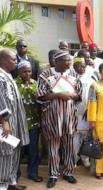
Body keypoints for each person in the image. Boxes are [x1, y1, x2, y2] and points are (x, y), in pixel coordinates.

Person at [37, 51, 82, 188]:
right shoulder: (45, 75)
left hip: (69, 118)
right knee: (53, 148)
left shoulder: (74, 74)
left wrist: (70, 94)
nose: (69, 63)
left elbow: (79, 94)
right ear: (57, 61)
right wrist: (58, 94)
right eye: (66, 61)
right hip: (52, 118)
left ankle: (68, 172)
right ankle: (53, 174)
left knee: (69, 146)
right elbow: (40, 95)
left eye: (70, 60)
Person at [0, 48, 29, 190]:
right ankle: (3, 185)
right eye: (13, 59)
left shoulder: (8, 76)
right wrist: (4, 123)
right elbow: (0, 102)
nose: (16, 62)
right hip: (6, 125)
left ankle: (12, 183)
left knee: (15, 152)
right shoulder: (0, 77)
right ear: (3, 60)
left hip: (15, 124)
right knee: (6, 154)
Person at [15, 60, 43, 182]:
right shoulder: (14, 84)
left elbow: (40, 103)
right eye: (24, 71)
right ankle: (15, 174)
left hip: (34, 123)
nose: (28, 74)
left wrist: (41, 120)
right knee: (17, 150)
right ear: (19, 71)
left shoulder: (35, 84)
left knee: (33, 150)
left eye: (29, 71)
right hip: (18, 124)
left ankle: (32, 173)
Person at [73, 57, 93, 168]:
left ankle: (85, 158)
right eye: (80, 65)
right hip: (73, 115)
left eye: (84, 65)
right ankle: (74, 159)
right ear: (74, 66)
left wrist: (89, 109)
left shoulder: (90, 80)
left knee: (86, 138)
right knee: (74, 139)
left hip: (86, 114)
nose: (83, 67)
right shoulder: (70, 79)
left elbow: (92, 97)